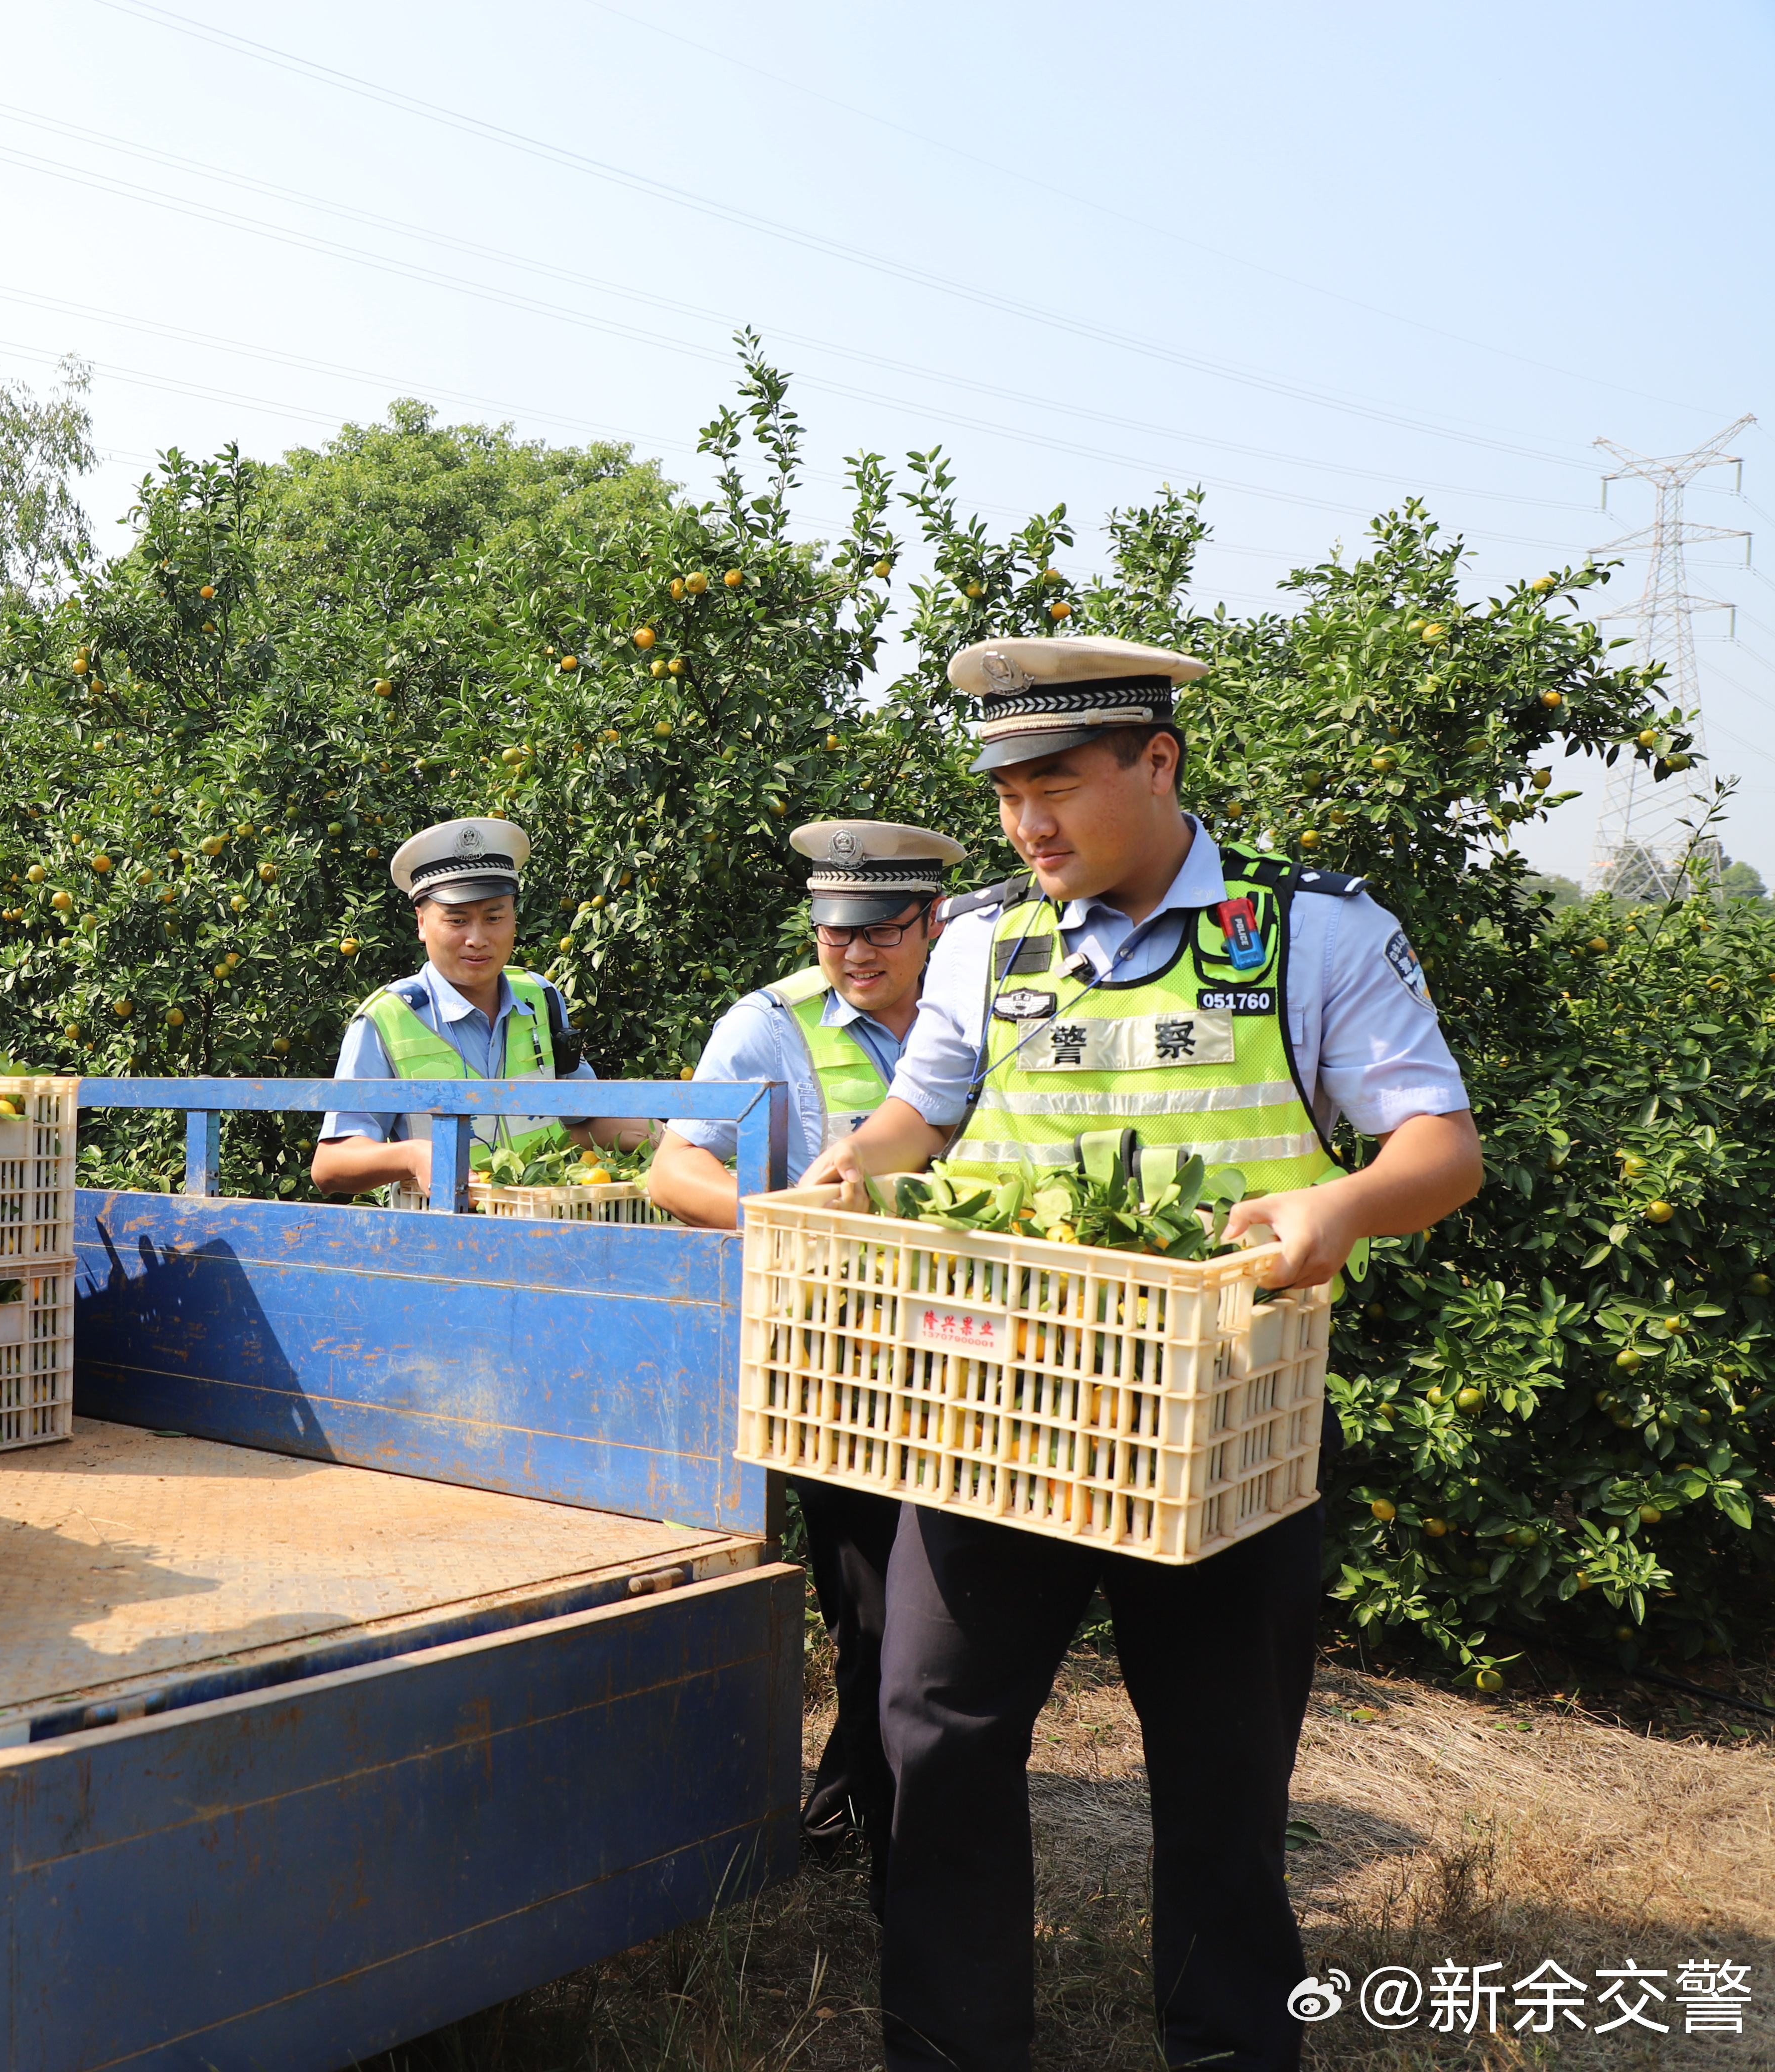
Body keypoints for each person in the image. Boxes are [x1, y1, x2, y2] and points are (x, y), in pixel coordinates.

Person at [806, 636, 1483, 2072]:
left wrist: (1343, 1206)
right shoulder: (989, 941)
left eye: (1056, 786)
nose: (1026, 825)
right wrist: (851, 1168)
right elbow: (917, 1114)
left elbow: (1438, 1146)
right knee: (933, 1734)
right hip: (1002, 1405)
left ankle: (1232, 2050)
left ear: (1158, 764)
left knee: (1223, 1781)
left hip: (1224, 1427)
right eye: (1005, 795)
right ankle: (950, 2048)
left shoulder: (1310, 934)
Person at [642, 819, 965, 1911]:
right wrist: (779, 1215)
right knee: (876, 1617)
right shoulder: (769, 1024)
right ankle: (898, 1872)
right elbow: (671, 1170)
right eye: (834, 934)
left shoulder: (988, 1012)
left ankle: (842, 1801)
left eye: (879, 932)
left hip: (984, 1359)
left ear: (933, 920)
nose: (855, 955)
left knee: (947, 1623)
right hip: (846, 1372)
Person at [308, 816, 649, 1197]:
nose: (477, 939)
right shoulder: (387, 1019)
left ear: (514, 919)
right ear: (422, 923)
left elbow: (580, 1118)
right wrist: (414, 1156)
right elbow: (331, 1166)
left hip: (542, 1229)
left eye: (494, 918)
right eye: (457, 920)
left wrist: (667, 1139)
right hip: (440, 1242)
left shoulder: (540, 997)